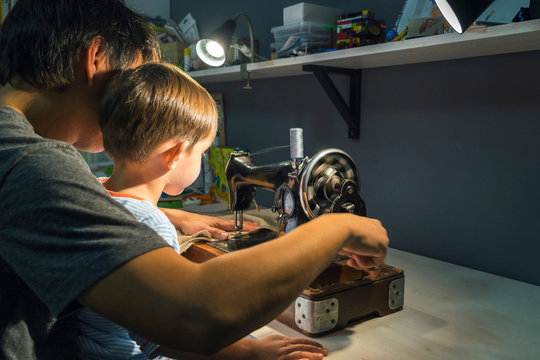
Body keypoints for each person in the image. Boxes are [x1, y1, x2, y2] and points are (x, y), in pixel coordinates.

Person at [0, 1, 389, 359]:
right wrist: (336, 228)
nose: (132, 106)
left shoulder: (15, 151)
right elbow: (194, 315)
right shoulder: (30, 161)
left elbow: (59, 214)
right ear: (95, 58)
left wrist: (169, 217)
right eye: (128, 84)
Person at [77, 61, 330, 359]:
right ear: (174, 155)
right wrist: (253, 352)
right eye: (202, 152)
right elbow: (170, 335)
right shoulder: (150, 225)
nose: (204, 160)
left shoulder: (90, 190)